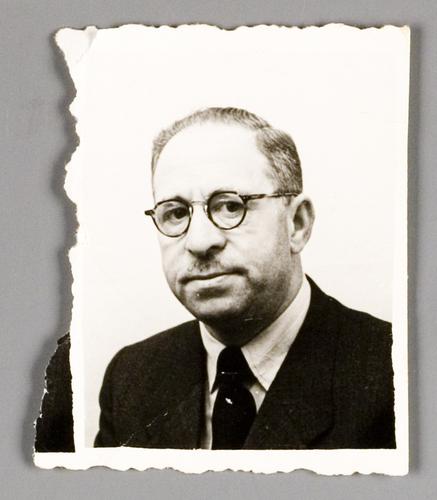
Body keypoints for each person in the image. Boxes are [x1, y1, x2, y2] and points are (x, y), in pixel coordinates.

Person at [94, 107, 395, 450]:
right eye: (176, 213)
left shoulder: (395, 372)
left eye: (230, 206)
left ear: (297, 224)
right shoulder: (131, 378)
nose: (199, 242)